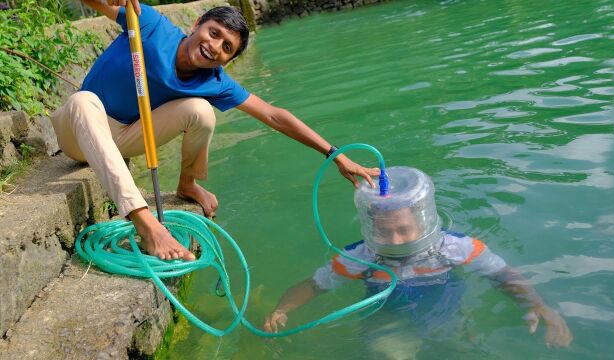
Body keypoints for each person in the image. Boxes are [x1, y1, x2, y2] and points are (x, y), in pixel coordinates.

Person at [51, 0, 379, 261]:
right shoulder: (150, 25)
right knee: (82, 101)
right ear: (196, 25)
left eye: (226, 47)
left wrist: (336, 156)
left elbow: (275, 116)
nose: (215, 46)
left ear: (227, 61)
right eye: (214, 33)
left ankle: (188, 183)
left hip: (129, 137)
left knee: (200, 111)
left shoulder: (213, 81)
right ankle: (145, 223)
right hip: (79, 133)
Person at [264, 167, 572, 358]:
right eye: (384, 231)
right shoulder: (363, 258)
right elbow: (313, 285)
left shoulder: (453, 248)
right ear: (370, 228)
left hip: (447, 315)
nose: (396, 240)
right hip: (388, 321)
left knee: (465, 353)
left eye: (404, 230)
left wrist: (538, 305)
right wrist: (282, 309)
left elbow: (503, 275)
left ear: (423, 222)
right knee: (387, 355)